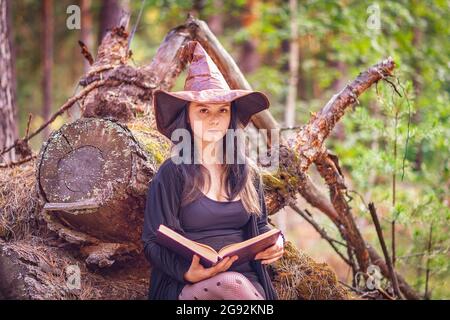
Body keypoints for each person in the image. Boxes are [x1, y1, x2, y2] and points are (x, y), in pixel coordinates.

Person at [142, 40, 285, 300]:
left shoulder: (246, 171)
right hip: (187, 286)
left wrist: (277, 242)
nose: (214, 118)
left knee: (236, 285)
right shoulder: (172, 172)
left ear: (231, 116)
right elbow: (151, 242)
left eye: (223, 109)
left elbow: (261, 225)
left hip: (249, 283)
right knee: (231, 284)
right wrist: (188, 272)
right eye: (204, 110)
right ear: (188, 115)